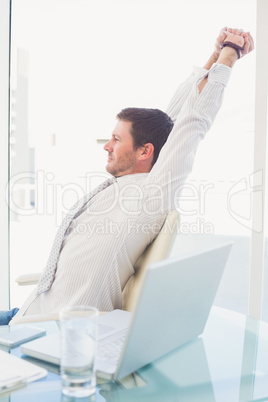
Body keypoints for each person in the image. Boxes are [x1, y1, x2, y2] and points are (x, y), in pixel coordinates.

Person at [1, 27, 254, 325]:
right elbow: (170, 123)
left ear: (145, 152)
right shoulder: (124, 184)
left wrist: (230, 53)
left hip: (46, 329)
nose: (107, 147)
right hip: (26, 311)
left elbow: (192, 124)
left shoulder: (151, 193)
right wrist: (213, 54)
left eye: (116, 140)